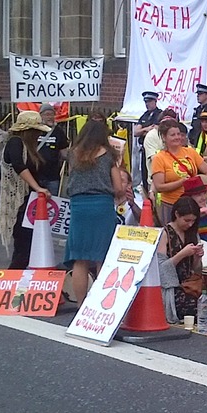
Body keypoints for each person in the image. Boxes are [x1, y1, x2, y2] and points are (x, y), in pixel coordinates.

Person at [64, 121, 126, 302]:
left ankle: (80, 305)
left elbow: (71, 178)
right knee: (102, 256)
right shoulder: (109, 155)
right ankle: (100, 304)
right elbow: (118, 186)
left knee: (80, 259)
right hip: (101, 205)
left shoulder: (73, 154)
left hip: (78, 206)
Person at [0, 111, 52, 270]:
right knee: (23, 249)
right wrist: (38, 188)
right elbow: (19, 166)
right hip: (19, 204)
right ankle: (10, 282)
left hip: (30, 202)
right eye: (37, 131)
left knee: (28, 248)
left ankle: (19, 282)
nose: (39, 135)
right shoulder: (15, 142)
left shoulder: (30, 147)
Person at [150, 121, 207, 223]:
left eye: (179, 134)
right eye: (173, 135)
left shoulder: (190, 152)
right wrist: (181, 182)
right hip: (171, 205)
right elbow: (159, 186)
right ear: (164, 138)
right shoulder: (159, 158)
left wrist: (205, 191)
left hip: (192, 205)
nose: (177, 137)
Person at [157, 196, 204, 322]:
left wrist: (197, 257)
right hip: (172, 287)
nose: (190, 224)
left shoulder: (192, 233)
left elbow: (196, 269)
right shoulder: (165, 233)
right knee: (192, 307)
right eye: (186, 220)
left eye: (193, 221)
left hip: (190, 284)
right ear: (177, 214)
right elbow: (161, 268)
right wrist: (182, 254)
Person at [37, 103, 69, 195]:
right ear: (41, 115)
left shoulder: (59, 132)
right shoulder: (35, 130)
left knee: (52, 203)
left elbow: (64, 152)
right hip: (36, 175)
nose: (50, 117)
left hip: (53, 175)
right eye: (47, 114)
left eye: (52, 114)